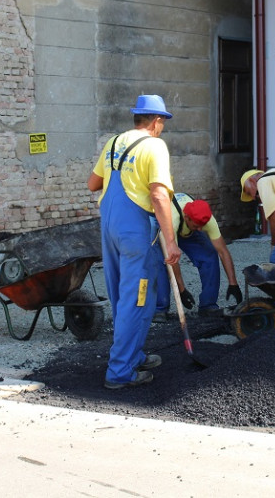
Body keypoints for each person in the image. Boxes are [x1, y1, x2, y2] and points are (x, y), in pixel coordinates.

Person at [88, 94, 181, 389]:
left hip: (110, 227)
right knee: (137, 299)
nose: (162, 127)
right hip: (135, 232)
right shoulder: (155, 146)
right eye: (162, 122)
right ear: (156, 121)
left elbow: (93, 184)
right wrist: (171, 241)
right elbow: (158, 195)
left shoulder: (114, 142)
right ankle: (119, 371)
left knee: (122, 296)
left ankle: (133, 355)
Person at [153, 195, 242, 322]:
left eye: (202, 225)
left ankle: (208, 306)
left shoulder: (206, 219)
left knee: (209, 255)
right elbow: (172, 259)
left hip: (187, 229)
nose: (200, 229)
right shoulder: (172, 220)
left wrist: (233, 283)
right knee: (163, 263)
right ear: (187, 217)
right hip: (166, 229)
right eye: (197, 226)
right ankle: (160, 309)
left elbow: (223, 251)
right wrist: (182, 290)